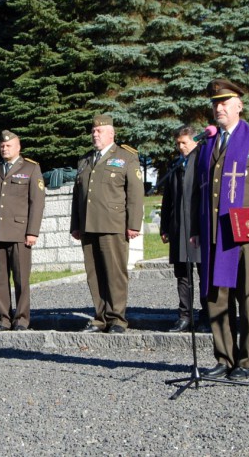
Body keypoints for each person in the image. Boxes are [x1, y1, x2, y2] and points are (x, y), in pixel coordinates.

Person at [192, 79, 249, 381]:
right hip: (214, 233)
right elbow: (200, 192)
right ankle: (223, 357)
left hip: (244, 233)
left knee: (247, 297)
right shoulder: (208, 144)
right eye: (215, 103)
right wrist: (196, 228)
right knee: (216, 297)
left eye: (224, 102)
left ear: (239, 105)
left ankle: (247, 359)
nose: (219, 107)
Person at [70, 114, 145, 334]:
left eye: (99, 131)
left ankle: (117, 318)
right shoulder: (84, 160)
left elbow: (135, 194)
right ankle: (100, 317)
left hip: (113, 224)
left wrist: (133, 224)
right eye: (93, 131)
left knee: (115, 272)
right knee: (94, 273)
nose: (95, 134)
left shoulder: (125, 157)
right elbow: (78, 196)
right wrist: (76, 224)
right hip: (88, 225)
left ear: (111, 133)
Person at [0, 130, 46, 331]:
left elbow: (37, 203)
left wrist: (32, 231)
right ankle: (4, 319)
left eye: (8, 145)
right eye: (2, 145)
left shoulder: (31, 168)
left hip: (19, 232)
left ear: (18, 147)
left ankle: (22, 319)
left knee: (21, 278)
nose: (4, 148)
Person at [160, 125, 208, 333]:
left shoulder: (203, 161)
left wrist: (199, 228)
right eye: (178, 143)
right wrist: (165, 226)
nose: (180, 147)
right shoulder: (175, 164)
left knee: (204, 273)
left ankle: (207, 315)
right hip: (178, 227)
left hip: (199, 227)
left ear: (195, 141)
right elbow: (167, 199)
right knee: (182, 274)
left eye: (184, 143)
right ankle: (185, 315)